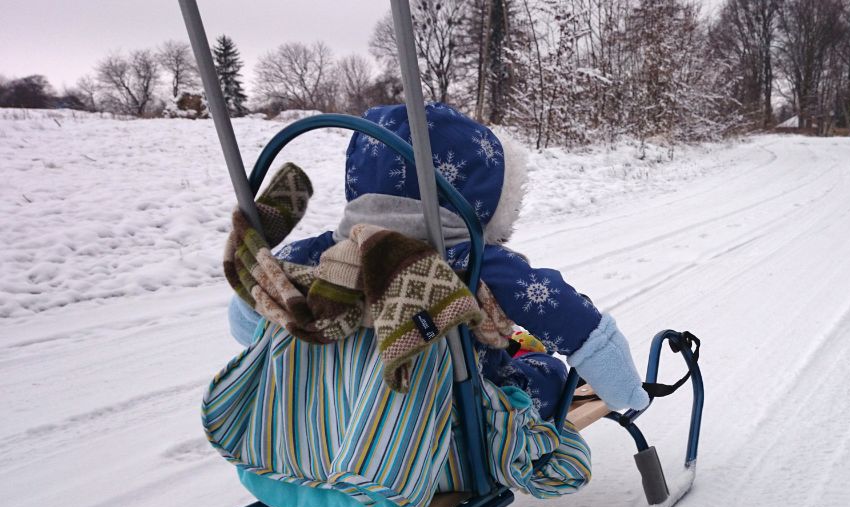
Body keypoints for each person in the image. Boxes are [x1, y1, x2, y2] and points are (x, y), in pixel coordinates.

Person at [228, 103, 649, 421]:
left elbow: (250, 315)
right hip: (445, 426)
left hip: (337, 422)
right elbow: (570, 318)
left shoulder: (324, 253)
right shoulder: (471, 260)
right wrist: (627, 391)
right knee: (546, 373)